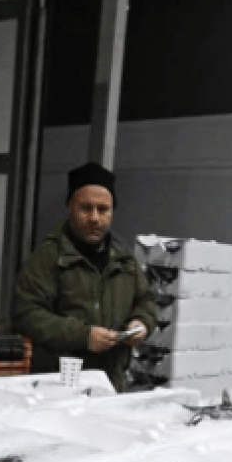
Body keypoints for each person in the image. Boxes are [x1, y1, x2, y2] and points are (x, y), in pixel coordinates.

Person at [13, 162, 157, 391]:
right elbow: (27, 314)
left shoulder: (123, 258)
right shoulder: (48, 256)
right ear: (69, 207)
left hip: (111, 382)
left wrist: (141, 323)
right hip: (60, 385)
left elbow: (146, 300)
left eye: (103, 209)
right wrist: (83, 336)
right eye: (85, 208)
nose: (94, 218)